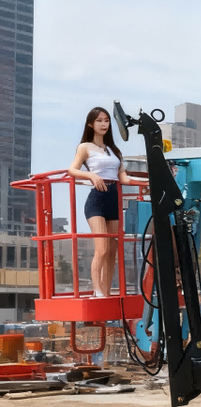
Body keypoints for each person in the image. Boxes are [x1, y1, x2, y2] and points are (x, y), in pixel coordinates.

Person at [67, 107, 148, 298]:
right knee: (102, 249)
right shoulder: (85, 147)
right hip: (97, 198)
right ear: (91, 124)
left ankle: (106, 291)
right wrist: (92, 176)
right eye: (99, 121)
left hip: (114, 198)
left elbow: (124, 178)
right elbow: (72, 170)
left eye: (106, 120)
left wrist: (146, 183)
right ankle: (97, 291)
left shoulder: (114, 150)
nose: (104, 124)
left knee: (112, 250)